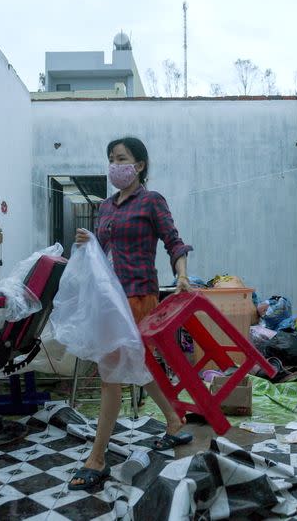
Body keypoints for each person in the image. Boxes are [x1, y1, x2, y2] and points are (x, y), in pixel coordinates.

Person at [69, 136, 194, 490]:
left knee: (112, 374)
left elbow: (174, 242)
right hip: (110, 298)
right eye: (111, 158)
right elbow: (103, 251)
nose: (114, 164)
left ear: (139, 165)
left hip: (139, 297)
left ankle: (97, 458)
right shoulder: (106, 207)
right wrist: (88, 243)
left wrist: (182, 275)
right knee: (137, 364)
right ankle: (172, 421)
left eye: (121, 158)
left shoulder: (152, 201)